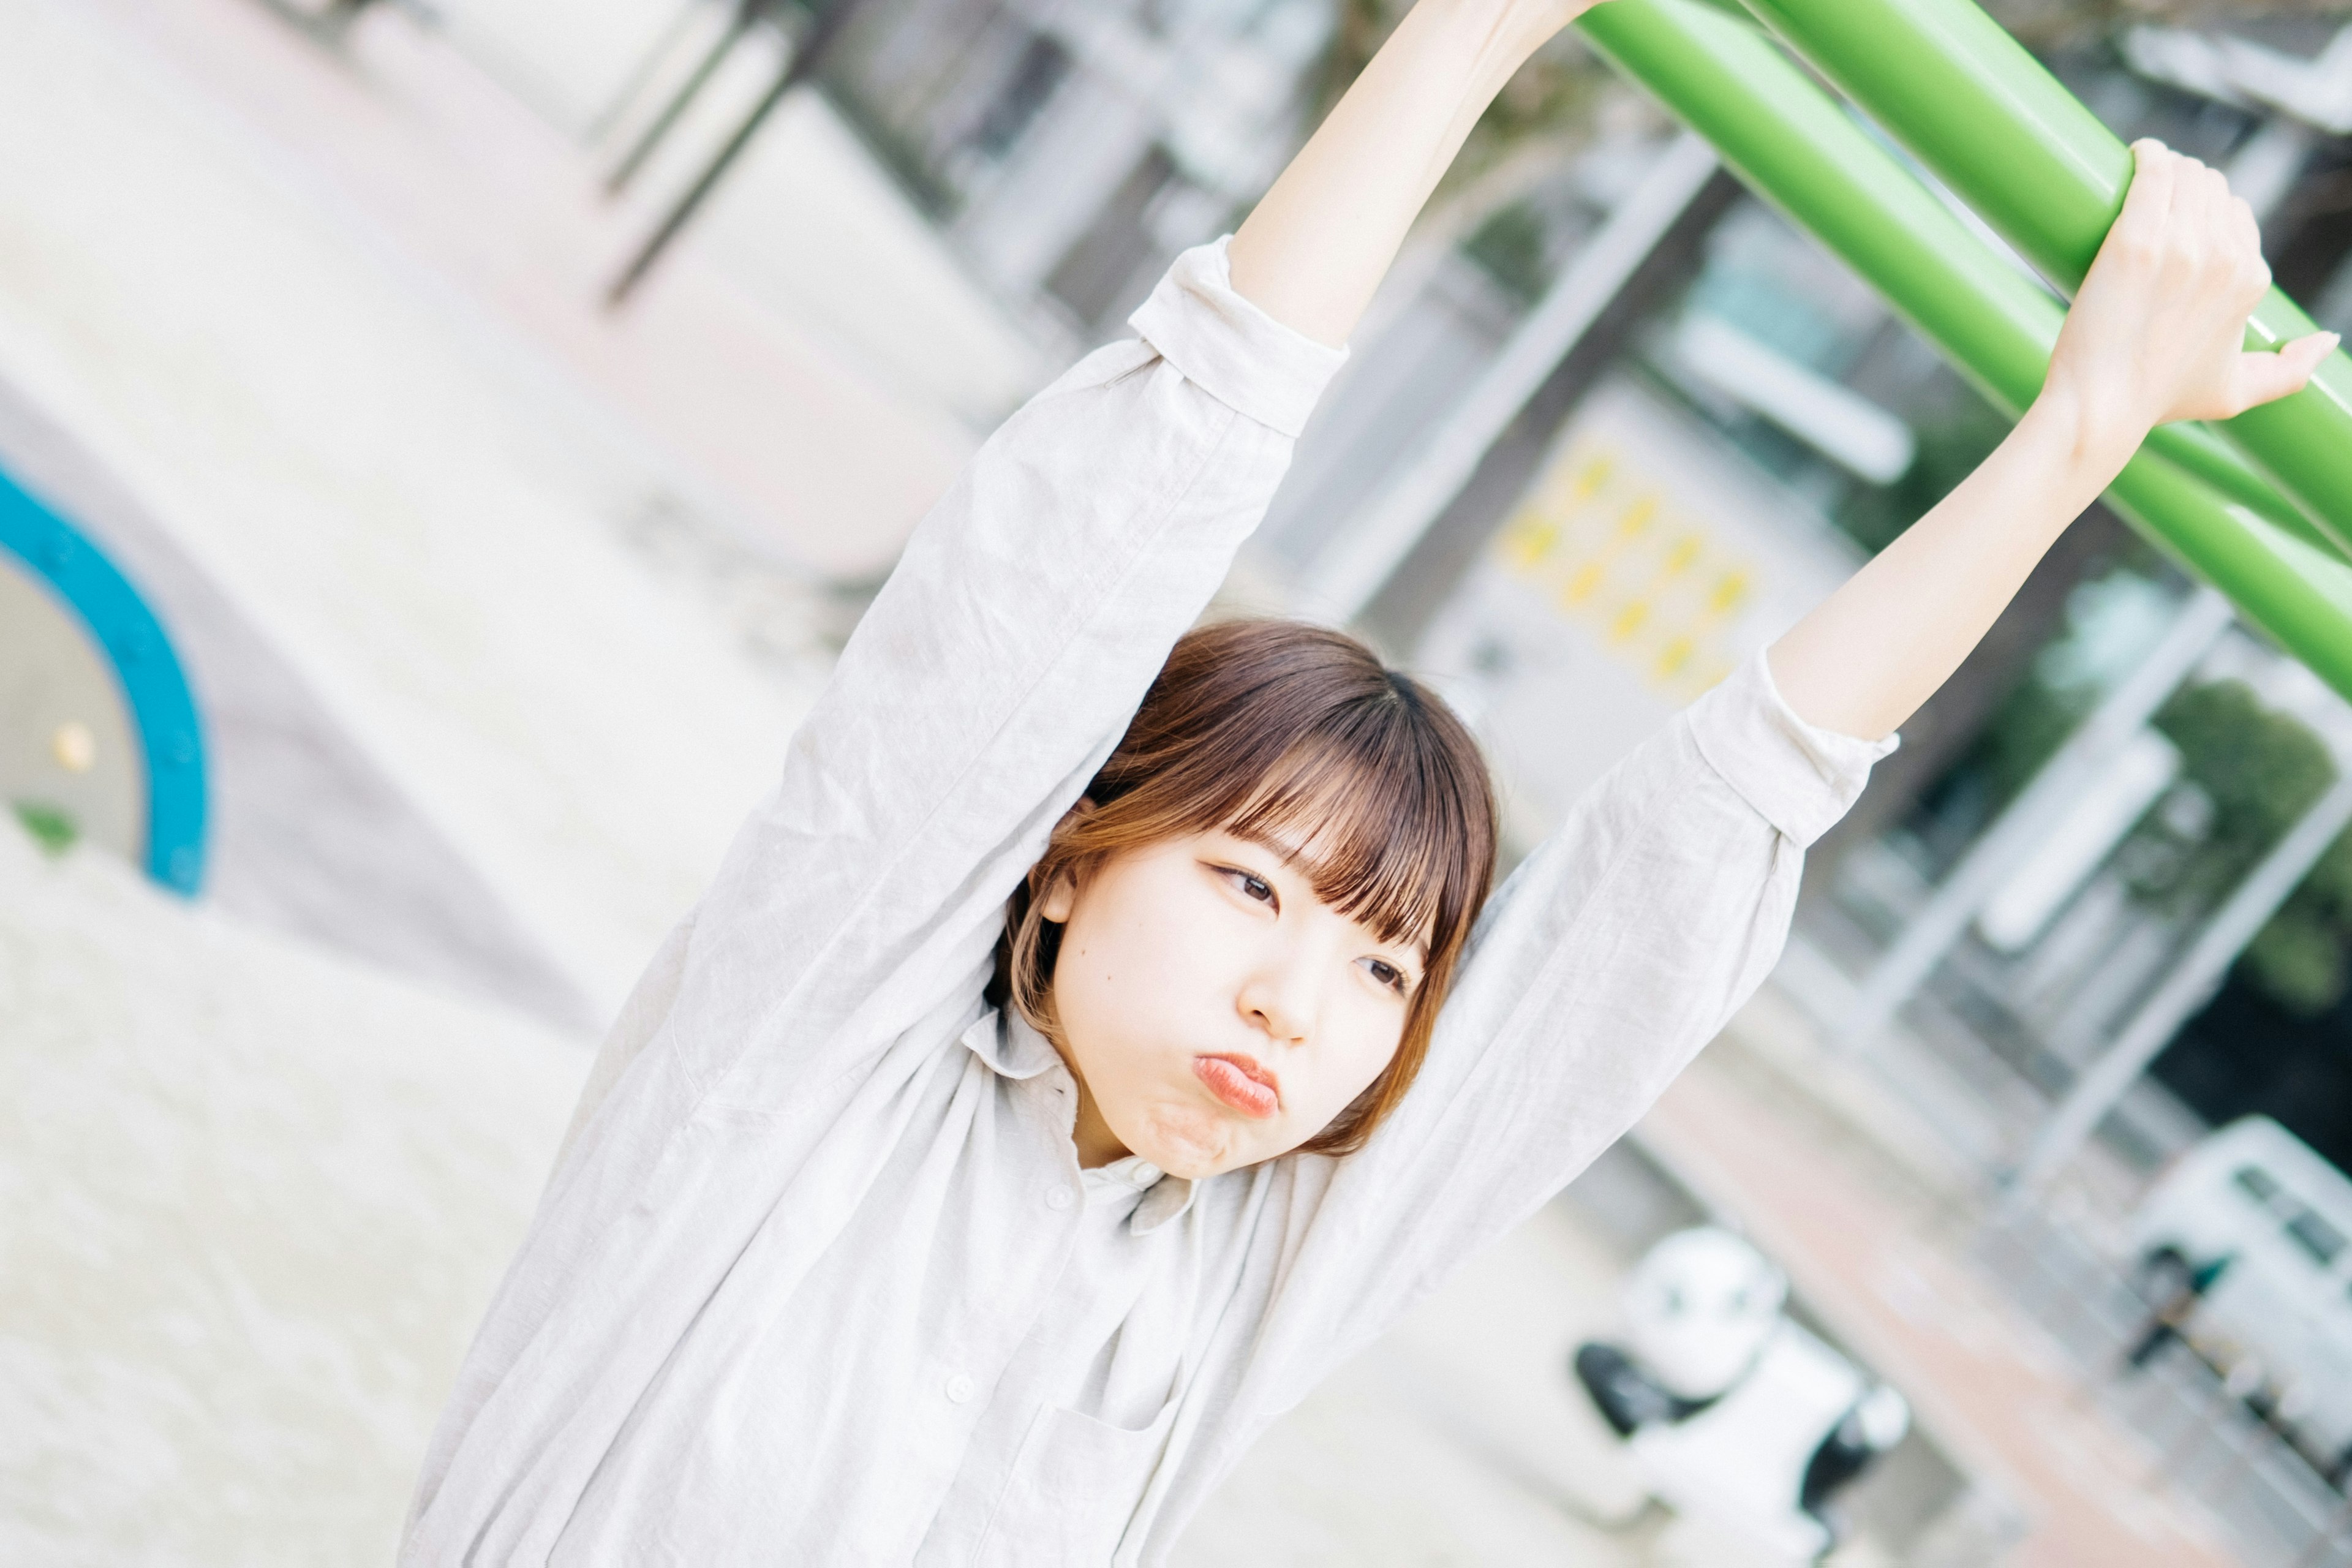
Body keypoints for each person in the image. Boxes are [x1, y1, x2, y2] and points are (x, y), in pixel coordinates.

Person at [400, 1, 2338, 1561]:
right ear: (1068, 863)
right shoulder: (811, 1045)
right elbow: (1091, 547)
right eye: (1253, 886)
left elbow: (1671, 887)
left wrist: (2079, 436)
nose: (1298, 1003)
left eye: (1386, 969)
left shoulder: (1240, 1272)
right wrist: (1469, 34)